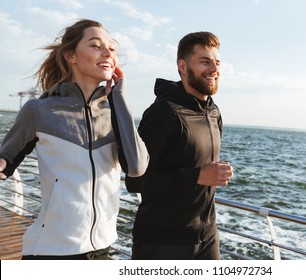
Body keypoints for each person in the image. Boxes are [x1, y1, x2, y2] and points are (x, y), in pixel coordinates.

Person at [0, 19, 149, 260]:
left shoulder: (115, 112)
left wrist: (119, 97)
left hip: (102, 249)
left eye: (112, 48)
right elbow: (7, 156)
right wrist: (3, 164)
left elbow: (137, 167)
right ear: (71, 55)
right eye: (95, 45)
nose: (107, 53)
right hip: (51, 251)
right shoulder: (39, 110)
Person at [125, 31, 233, 260]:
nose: (214, 69)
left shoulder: (214, 112)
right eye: (205, 62)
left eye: (217, 62)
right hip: (162, 243)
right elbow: (136, 181)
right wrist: (198, 176)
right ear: (182, 67)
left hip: (207, 239)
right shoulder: (162, 113)